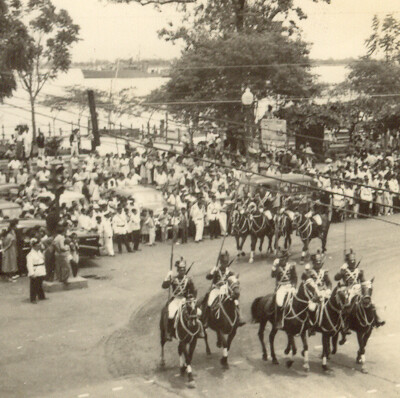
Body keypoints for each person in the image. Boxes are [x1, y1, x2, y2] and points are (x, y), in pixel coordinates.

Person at [334, 249, 385, 328]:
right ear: (347, 261)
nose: (353, 262)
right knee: (347, 304)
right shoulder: (344, 270)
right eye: (351, 260)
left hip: (358, 289)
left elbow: (363, 280)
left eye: (354, 260)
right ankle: (345, 323)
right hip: (348, 289)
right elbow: (336, 278)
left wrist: (368, 283)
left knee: (370, 301)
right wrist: (341, 271)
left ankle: (376, 319)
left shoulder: (359, 271)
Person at [161, 258, 201, 341]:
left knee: (198, 312)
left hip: (185, 300)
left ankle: (199, 330)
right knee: (171, 314)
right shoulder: (173, 279)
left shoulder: (188, 280)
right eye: (180, 270)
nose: (182, 272)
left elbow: (194, 290)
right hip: (176, 300)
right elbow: (164, 286)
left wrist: (192, 298)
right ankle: (168, 332)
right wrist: (167, 277)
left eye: (183, 270)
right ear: (178, 270)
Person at [203, 250, 245, 327]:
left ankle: (239, 317)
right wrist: (212, 272)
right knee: (209, 301)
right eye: (223, 262)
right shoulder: (216, 269)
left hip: (226, 290)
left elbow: (234, 279)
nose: (225, 264)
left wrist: (236, 276)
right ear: (220, 262)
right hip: (216, 289)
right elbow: (208, 277)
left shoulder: (230, 271)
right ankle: (206, 320)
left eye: (226, 262)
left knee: (236, 301)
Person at [271, 249, 297, 328]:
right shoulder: (277, 267)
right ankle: (279, 320)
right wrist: (274, 267)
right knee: (279, 302)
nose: (281, 261)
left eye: (282, 259)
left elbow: (294, 278)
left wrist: (293, 286)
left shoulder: (291, 267)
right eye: (280, 259)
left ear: (286, 259)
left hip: (290, 286)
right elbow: (273, 275)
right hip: (281, 287)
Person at [26, 238, 46, 303]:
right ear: (34, 246)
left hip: (41, 269)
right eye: (38, 245)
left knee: (39, 284)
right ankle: (33, 299)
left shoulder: (39, 252)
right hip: (35, 270)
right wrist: (31, 273)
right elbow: (29, 265)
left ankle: (41, 296)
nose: (39, 246)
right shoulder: (30, 255)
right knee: (34, 286)